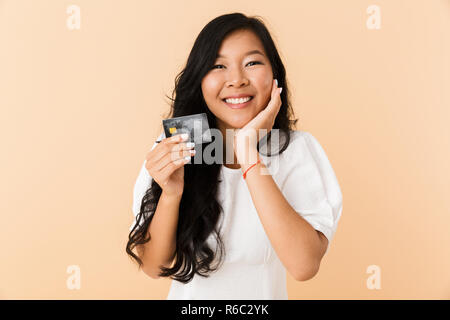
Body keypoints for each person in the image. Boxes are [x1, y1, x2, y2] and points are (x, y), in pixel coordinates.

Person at [126, 12, 343, 300]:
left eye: (252, 63)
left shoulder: (296, 150)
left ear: (274, 74)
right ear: (200, 80)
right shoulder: (175, 147)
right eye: (218, 66)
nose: (237, 80)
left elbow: (304, 266)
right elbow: (154, 266)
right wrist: (171, 195)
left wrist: (247, 152)